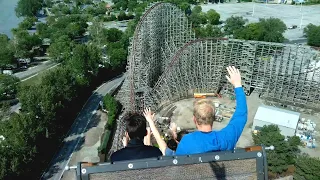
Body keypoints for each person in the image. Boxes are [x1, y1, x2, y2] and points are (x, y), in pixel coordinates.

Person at [175, 66, 248, 155]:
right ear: (214, 118)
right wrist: (238, 85)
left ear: (195, 119)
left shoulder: (187, 142)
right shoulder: (226, 138)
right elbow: (241, 115)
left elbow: (178, 165)